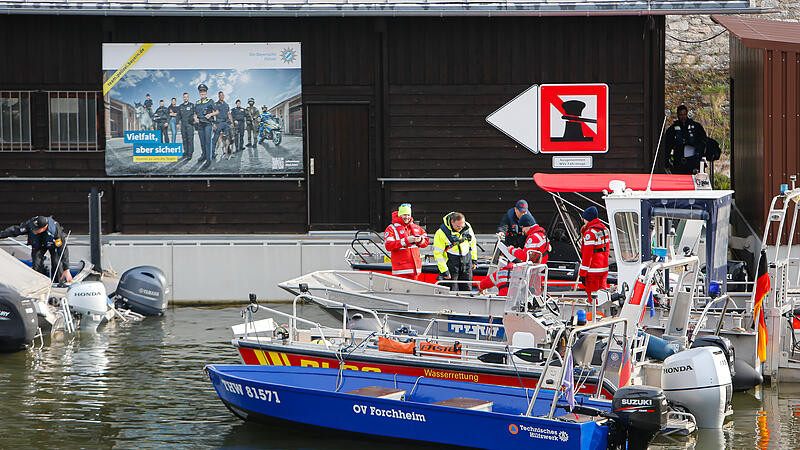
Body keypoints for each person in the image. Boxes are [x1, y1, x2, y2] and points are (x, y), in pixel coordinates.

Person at [0, 216, 72, 283]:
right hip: (38, 245)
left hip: (53, 245)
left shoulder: (55, 231)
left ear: (44, 227)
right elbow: (14, 230)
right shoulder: (30, 225)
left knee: (56, 263)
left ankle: (59, 283)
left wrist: (67, 269)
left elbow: (63, 249)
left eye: (36, 229)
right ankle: (39, 283)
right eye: (33, 228)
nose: (34, 230)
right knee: (37, 264)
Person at [383, 203, 429, 280]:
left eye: (408, 215)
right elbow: (389, 245)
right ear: (399, 215)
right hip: (401, 270)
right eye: (404, 215)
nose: (406, 217)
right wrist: (406, 241)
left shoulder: (416, 227)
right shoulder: (391, 228)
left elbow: (426, 242)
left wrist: (420, 240)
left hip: (415, 270)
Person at [433, 212, 477, 292]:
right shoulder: (441, 233)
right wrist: (444, 271)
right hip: (451, 264)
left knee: (467, 290)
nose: (460, 228)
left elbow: (473, 243)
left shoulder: (467, 227)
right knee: (450, 291)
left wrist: (474, 260)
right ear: (452, 222)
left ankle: (467, 304)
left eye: (462, 226)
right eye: (458, 226)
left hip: (466, 262)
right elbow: (438, 254)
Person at [664, 104, 708, 175]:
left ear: (687, 114)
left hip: (693, 160)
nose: (683, 117)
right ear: (677, 115)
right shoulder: (672, 129)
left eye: (684, 114)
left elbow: (703, 141)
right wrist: (667, 163)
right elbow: (667, 146)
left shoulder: (696, 127)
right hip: (678, 160)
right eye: (681, 115)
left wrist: (700, 154)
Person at [578, 206, 610, 302]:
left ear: (587, 218)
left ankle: (595, 315)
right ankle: (604, 313)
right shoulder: (604, 229)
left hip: (593, 270)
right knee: (603, 294)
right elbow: (607, 249)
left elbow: (587, 256)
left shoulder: (589, 233)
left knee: (593, 296)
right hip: (604, 268)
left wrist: (582, 273)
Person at [193, 84, 216, 167]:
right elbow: (195, 113)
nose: (202, 93)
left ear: (206, 92)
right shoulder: (197, 102)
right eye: (201, 91)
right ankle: (204, 156)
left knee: (207, 142)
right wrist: (195, 118)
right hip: (200, 124)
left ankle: (208, 159)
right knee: (202, 142)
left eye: (204, 91)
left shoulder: (210, 101)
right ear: (199, 92)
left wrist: (210, 114)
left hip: (208, 124)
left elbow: (216, 111)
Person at [211, 91, 232, 159]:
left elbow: (229, 114)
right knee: (215, 138)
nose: (222, 96)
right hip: (218, 123)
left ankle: (227, 150)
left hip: (226, 123)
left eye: (223, 95)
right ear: (218, 96)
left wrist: (231, 123)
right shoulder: (215, 104)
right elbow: (213, 114)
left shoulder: (226, 105)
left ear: (224, 96)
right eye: (220, 95)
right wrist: (213, 123)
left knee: (227, 137)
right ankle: (212, 152)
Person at [177, 92, 195, 160]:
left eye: (187, 97)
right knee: (184, 139)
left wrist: (194, 120)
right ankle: (186, 151)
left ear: (188, 97)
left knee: (190, 139)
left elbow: (195, 114)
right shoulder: (180, 106)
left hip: (190, 124)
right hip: (183, 124)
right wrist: (177, 123)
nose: (185, 98)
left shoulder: (192, 105)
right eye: (184, 97)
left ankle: (190, 153)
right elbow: (178, 115)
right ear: (183, 98)